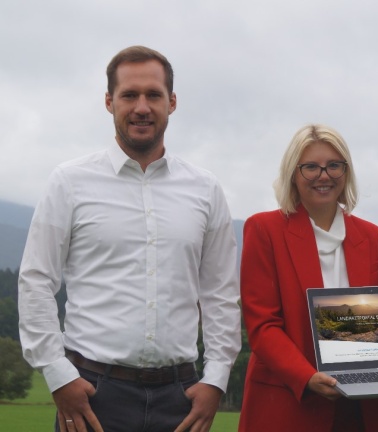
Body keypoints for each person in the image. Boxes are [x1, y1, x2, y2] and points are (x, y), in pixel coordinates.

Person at [17, 46, 241, 432]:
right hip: (91, 395)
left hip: (182, 400)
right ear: (109, 102)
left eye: (153, 95)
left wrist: (216, 379)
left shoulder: (205, 189)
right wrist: (58, 375)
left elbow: (220, 292)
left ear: (171, 102)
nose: (142, 107)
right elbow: (36, 281)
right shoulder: (69, 182)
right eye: (129, 95)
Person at [238, 124, 378, 432]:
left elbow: (376, 320)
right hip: (289, 404)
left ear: (346, 172)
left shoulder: (371, 237)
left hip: (357, 408)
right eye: (311, 167)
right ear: (293, 173)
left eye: (334, 165)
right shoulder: (264, 230)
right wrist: (306, 376)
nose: (324, 175)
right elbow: (263, 325)